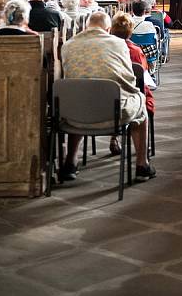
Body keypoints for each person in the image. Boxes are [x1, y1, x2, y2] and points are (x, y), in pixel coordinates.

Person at [60, 11, 155, 182]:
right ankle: (142, 165)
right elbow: (129, 78)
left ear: (86, 27)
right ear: (108, 28)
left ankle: (70, 162)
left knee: (80, 98)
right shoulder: (119, 44)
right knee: (140, 103)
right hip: (113, 112)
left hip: (75, 114)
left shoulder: (68, 44)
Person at [110, 11, 156, 155]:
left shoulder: (107, 49)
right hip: (131, 92)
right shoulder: (135, 51)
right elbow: (142, 71)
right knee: (144, 101)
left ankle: (114, 139)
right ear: (131, 32)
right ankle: (142, 149)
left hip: (106, 97)